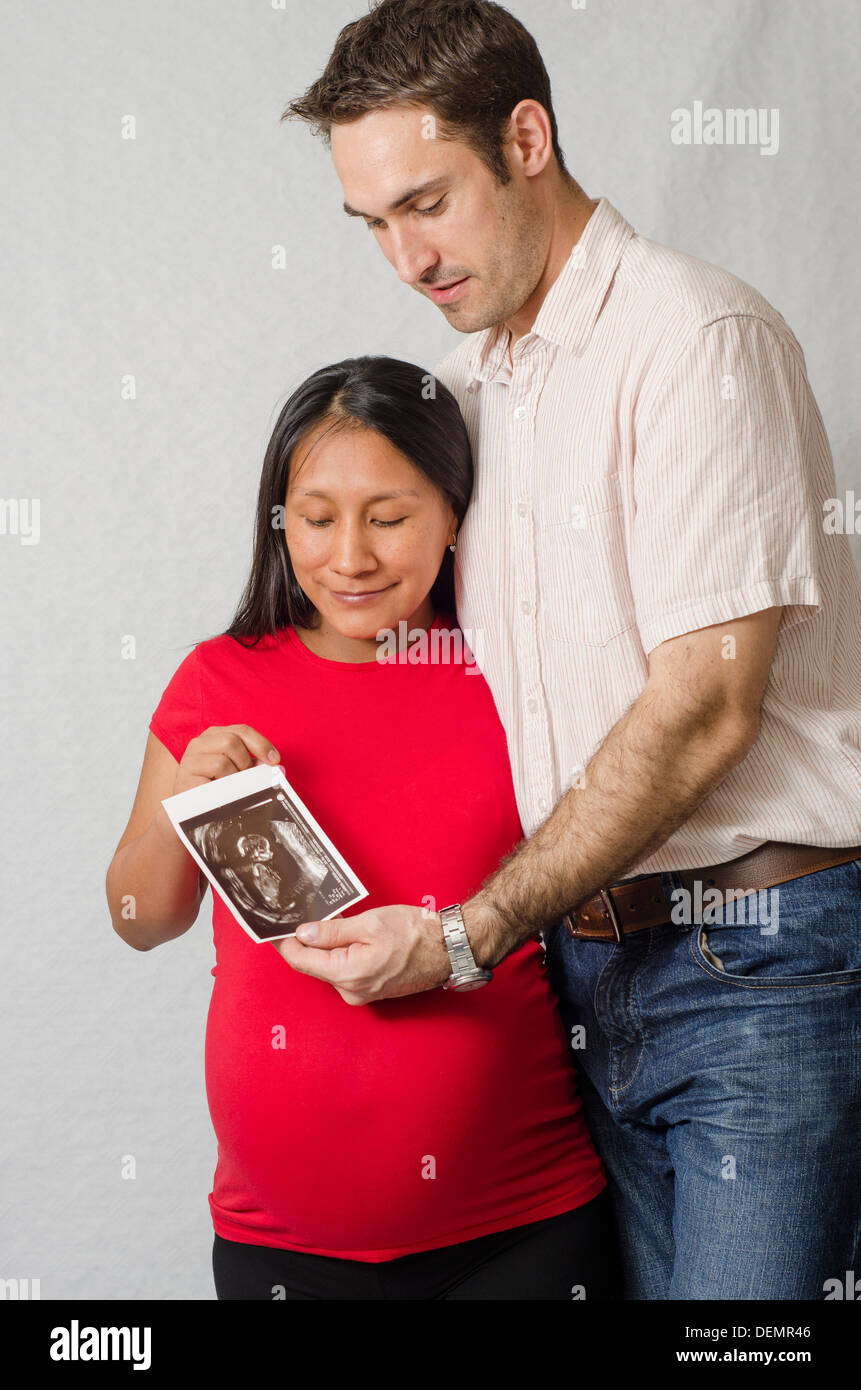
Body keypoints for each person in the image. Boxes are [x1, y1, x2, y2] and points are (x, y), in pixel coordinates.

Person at [279, 0, 861, 1299]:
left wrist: (470, 930)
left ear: (526, 137)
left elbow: (706, 709)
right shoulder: (468, 392)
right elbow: (388, 637)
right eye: (372, 222)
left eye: (425, 202)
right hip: (580, 973)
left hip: (753, 960)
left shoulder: (696, 340)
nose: (404, 255)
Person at [105, 355, 619, 1301]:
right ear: (278, 520)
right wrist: (190, 811)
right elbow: (141, 917)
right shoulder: (217, 681)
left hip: (521, 1225)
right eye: (315, 518)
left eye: (389, 518)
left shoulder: (513, 676)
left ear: (455, 515)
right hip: (281, 1245)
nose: (350, 556)